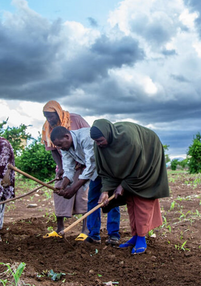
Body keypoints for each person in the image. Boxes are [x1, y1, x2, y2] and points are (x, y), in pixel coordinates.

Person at [90, 119, 169, 255]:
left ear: (108, 134)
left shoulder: (129, 140)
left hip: (148, 159)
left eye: (100, 140)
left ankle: (141, 238)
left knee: (141, 200)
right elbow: (105, 170)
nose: (98, 144)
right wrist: (105, 191)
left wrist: (123, 185)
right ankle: (135, 235)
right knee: (130, 200)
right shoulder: (99, 146)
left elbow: (140, 166)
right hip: (132, 170)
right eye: (96, 141)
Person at [51, 125, 122, 245]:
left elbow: (91, 164)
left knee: (112, 201)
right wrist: (63, 186)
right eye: (57, 145)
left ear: (67, 137)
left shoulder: (86, 137)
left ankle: (113, 235)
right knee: (92, 201)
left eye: (60, 144)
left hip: (109, 169)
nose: (59, 148)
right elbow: (68, 169)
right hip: (95, 173)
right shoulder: (65, 148)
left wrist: (74, 188)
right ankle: (94, 235)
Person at [41, 100, 90, 240]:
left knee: (83, 195)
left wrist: (81, 164)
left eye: (51, 116)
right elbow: (54, 150)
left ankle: (85, 230)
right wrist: (61, 169)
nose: (49, 119)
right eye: (46, 116)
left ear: (58, 112)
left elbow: (90, 140)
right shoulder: (47, 127)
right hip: (66, 164)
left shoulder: (76, 120)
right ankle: (59, 229)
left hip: (85, 164)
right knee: (59, 192)